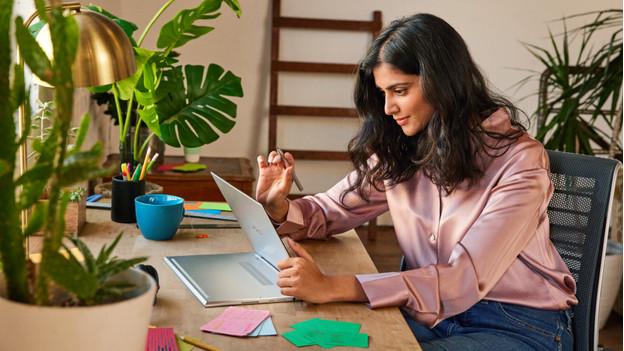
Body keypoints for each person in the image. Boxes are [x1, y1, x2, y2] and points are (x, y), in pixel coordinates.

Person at [256, 13, 577, 351]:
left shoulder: (519, 160)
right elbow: (332, 209)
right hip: (429, 315)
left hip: (515, 324)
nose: (389, 107)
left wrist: (332, 286)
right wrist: (279, 206)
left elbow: (463, 277)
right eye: (383, 93)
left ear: (443, 83)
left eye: (400, 90)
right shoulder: (403, 148)